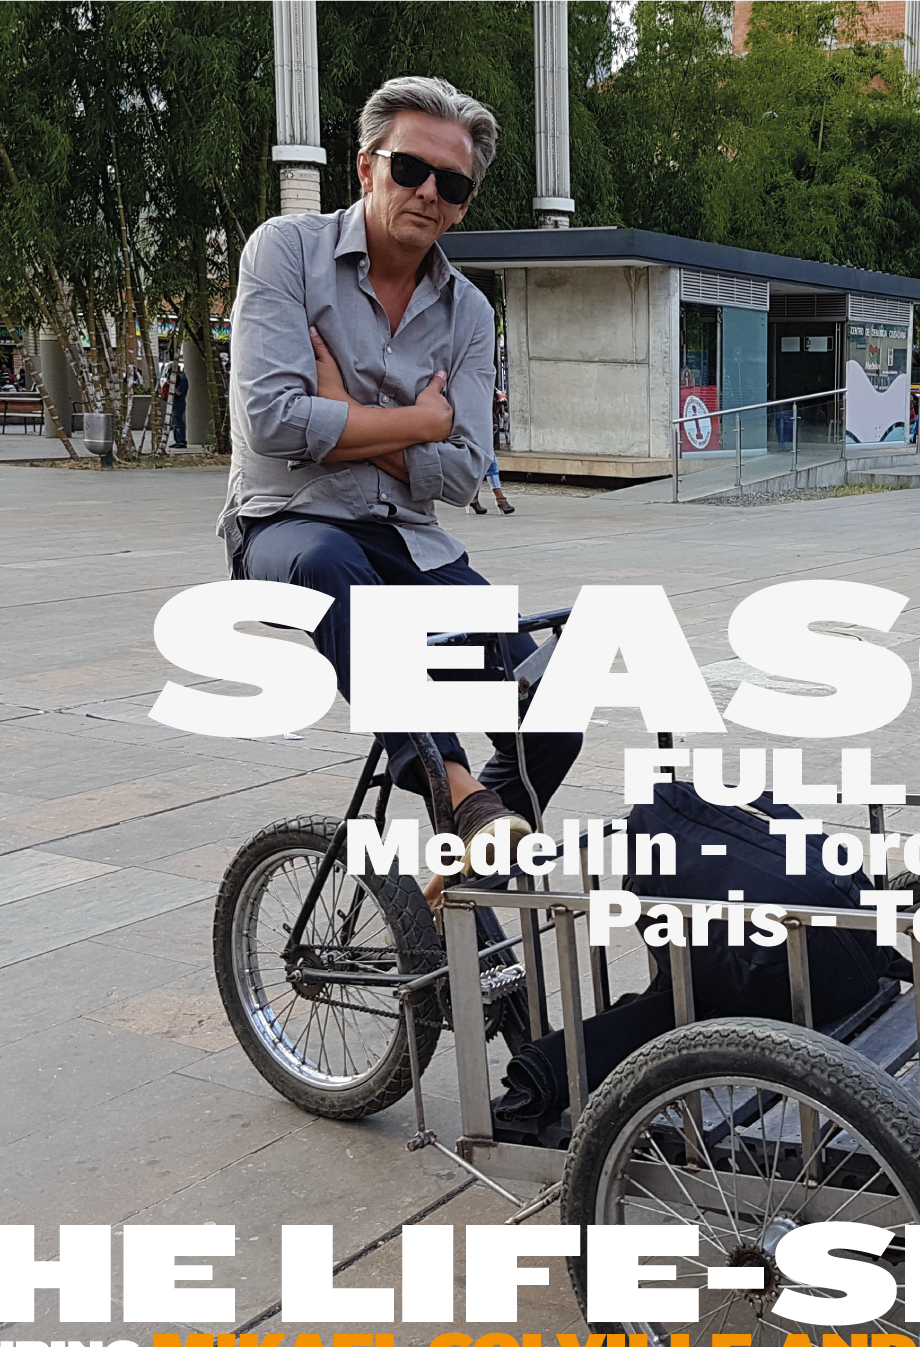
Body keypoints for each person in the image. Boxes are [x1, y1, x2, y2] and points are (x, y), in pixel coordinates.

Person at [217, 74, 578, 870]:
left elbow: (461, 474)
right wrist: (419, 420)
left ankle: (466, 871)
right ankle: (460, 795)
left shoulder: (470, 313)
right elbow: (271, 423)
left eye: (451, 183)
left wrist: (343, 414)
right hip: (286, 532)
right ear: (366, 167)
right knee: (333, 560)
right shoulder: (285, 252)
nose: (427, 192)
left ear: (463, 204)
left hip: (410, 545)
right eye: (409, 168)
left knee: (554, 690)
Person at [168, 362, 189, 448]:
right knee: (175, 422)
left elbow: (179, 392)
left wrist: (171, 385)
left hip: (179, 402)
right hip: (175, 402)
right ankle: (177, 440)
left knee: (178, 422)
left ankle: (181, 440)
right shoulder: (179, 379)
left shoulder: (183, 379)